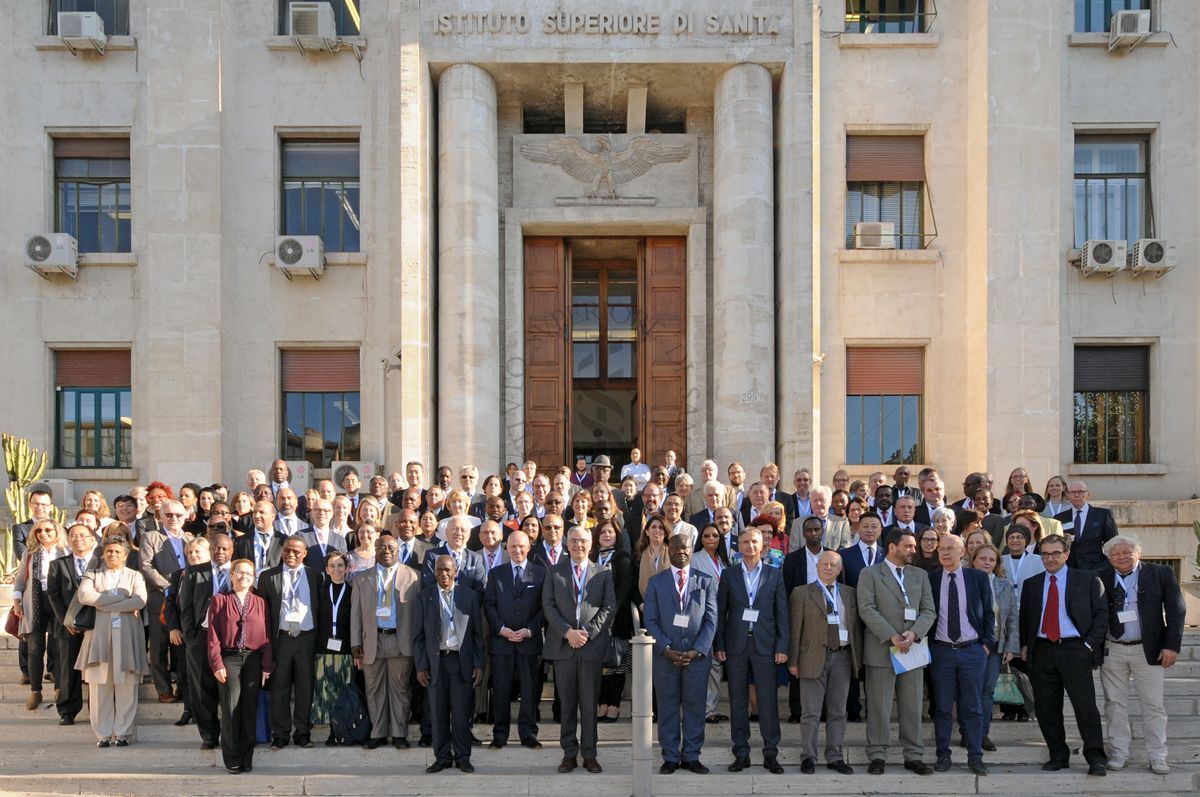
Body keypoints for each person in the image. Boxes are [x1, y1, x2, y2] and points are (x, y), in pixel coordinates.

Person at [1018, 534, 1108, 776]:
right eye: (1045, 554)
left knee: (1085, 706)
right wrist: (1025, 644)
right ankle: (1058, 755)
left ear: (1066, 554)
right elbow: (1025, 617)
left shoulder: (1087, 579)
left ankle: (1095, 757)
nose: (1050, 558)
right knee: (1047, 708)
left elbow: (1101, 615)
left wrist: (1089, 645)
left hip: (1075, 649)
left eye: (1055, 553)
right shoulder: (1032, 583)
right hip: (1043, 650)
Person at [1097, 535, 1185, 774]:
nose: (1121, 557)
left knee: (1153, 705)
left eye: (1127, 552)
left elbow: (1176, 610)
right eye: (1115, 554)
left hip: (1149, 649)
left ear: (1138, 553)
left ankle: (1158, 755)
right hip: (1112, 649)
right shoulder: (1100, 576)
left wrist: (1171, 646)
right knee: (1114, 704)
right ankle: (1119, 753)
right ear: (1109, 557)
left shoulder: (1160, 573)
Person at [857, 528, 936, 775]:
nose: (915, 550)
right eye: (909, 546)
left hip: (912, 648)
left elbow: (929, 610)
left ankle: (913, 755)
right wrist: (892, 636)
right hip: (882, 648)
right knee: (879, 705)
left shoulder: (920, 575)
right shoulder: (869, 574)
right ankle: (878, 754)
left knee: (912, 705)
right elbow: (867, 609)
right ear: (892, 547)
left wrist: (913, 634)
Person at [715, 525, 788, 774]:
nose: (750, 546)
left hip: (765, 646)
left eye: (754, 542)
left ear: (762, 545)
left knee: (767, 701)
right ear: (739, 546)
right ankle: (741, 753)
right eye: (745, 542)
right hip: (736, 645)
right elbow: (721, 612)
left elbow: (782, 613)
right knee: (737, 700)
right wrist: (720, 645)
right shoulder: (729, 574)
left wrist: (782, 645)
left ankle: (771, 753)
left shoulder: (774, 574)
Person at [542, 526, 615, 774]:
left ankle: (590, 754)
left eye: (582, 541)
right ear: (566, 543)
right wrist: (567, 632)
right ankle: (569, 754)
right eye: (573, 541)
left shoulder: (603, 572)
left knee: (589, 703)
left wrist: (586, 633)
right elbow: (548, 606)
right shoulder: (554, 572)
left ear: (590, 544)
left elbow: (608, 608)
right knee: (567, 704)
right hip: (563, 646)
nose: (578, 545)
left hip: (591, 647)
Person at [643, 533, 718, 775]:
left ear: (691, 549)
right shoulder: (656, 582)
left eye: (685, 547)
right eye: (675, 548)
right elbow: (651, 620)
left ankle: (692, 756)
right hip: (666, 657)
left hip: (697, 658)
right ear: (669, 549)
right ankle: (671, 756)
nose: (680, 552)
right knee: (668, 708)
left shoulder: (706, 581)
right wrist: (665, 649)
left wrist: (697, 650)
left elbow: (711, 620)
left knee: (695, 707)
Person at [787, 550, 861, 775]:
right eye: (824, 564)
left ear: (840, 570)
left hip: (842, 656)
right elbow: (795, 628)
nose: (828, 567)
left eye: (833, 565)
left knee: (838, 711)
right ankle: (808, 756)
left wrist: (858, 659)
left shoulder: (849, 593)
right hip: (811, 657)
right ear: (817, 566)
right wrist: (793, 660)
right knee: (810, 712)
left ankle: (835, 756)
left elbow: (855, 627)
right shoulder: (801, 593)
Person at [927, 534, 993, 776]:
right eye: (941, 549)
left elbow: (988, 612)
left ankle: (975, 757)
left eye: (951, 549)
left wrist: (986, 644)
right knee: (943, 707)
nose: (945, 553)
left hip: (972, 651)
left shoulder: (978, 577)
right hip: (942, 651)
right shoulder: (931, 579)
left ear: (963, 552)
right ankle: (943, 754)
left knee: (973, 707)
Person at [75, 537, 148, 747]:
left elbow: (140, 600)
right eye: (108, 551)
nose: (112, 555)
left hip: (127, 634)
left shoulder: (135, 575)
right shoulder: (93, 574)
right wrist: (121, 602)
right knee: (99, 686)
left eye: (117, 551)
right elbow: (85, 596)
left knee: (127, 683)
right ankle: (103, 734)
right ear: (103, 554)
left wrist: (103, 603)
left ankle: (123, 732)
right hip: (99, 634)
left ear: (125, 555)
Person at [415, 555, 485, 774]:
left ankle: (463, 757)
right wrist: (421, 666)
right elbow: (418, 636)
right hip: (436, 663)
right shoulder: (424, 597)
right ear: (434, 572)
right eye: (439, 570)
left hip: (460, 662)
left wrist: (478, 663)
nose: (443, 574)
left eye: (447, 570)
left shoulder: (469, 596)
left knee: (462, 713)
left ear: (455, 572)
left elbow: (477, 634)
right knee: (438, 713)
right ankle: (442, 757)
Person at [351, 536, 420, 749]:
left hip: (401, 641)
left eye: (391, 547)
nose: (386, 550)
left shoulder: (414, 576)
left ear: (398, 550)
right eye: (382, 547)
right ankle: (378, 732)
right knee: (373, 689)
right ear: (375, 550)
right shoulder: (361, 578)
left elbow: (419, 614)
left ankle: (400, 733)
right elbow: (355, 614)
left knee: (400, 689)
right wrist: (355, 643)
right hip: (372, 641)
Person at [206, 558, 273, 774]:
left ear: (254, 578)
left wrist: (266, 665)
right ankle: (232, 759)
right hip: (230, 659)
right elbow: (213, 635)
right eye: (240, 572)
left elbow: (268, 635)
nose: (244, 576)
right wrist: (216, 662)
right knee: (231, 708)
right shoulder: (219, 600)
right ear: (232, 575)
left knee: (249, 708)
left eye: (249, 573)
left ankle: (246, 757)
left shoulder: (261, 602)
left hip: (253, 658)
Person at [483, 530, 546, 749]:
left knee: (529, 690)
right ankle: (500, 734)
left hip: (529, 641)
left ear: (528, 547)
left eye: (521, 546)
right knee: (501, 689)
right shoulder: (496, 574)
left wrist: (530, 630)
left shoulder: (540, 573)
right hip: (502, 642)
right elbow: (489, 604)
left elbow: (544, 608)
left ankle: (528, 733)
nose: (517, 550)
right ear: (506, 548)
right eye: (512, 547)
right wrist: (501, 628)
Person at [258, 536, 322, 750]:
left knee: (305, 687)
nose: (291, 555)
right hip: (281, 639)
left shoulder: (315, 576)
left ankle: (303, 732)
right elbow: (263, 614)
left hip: (306, 638)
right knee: (280, 687)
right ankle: (280, 733)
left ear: (305, 554)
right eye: (287, 550)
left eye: (296, 551)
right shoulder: (268, 577)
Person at [178, 532, 235, 749]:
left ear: (232, 550)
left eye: (225, 548)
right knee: (201, 688)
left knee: (230, 688)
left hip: (230, 639)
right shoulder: (194, 572)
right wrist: (190, 637)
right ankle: (209, 735)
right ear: (209, 550)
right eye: (216, 548)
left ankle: (232, 734)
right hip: (200, 637)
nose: (220, 552)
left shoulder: (239, 572)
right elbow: (186, 607)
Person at [138, 499, 194, 703]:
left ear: (185, 517)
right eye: (168, 515)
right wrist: (169, 588)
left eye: (178, 515)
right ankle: (163, 689)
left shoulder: (190, 539)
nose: (173, 519)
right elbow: (146, 566)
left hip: (184, 600)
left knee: (181, 645)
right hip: (160, 597)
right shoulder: (151, 537)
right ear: (160, 517)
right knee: (159, 647)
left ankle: (182, 687)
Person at [11, 519, 69, 710]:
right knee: (35, 649)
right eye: (39, 531)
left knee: (60, 647)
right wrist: (16, 603)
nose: (43, 533)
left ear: (56, 531)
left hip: (58, 603)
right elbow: (20, 581)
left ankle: (60, 687)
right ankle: (36, 691)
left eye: (48, 530)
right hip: (34, 602)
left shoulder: (66, 552)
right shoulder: (30, 553)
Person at [45, 523, 97, 725]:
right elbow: (53, 595)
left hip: (95, 624)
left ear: (93, 539)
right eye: (73, 536)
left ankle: (97, 708)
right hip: (68, 624)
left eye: (83, 535)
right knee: (67, 669)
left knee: (96, 668)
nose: (78, 539)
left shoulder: (100, 563)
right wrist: (65, 620)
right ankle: (67, 710)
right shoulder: (58, 565)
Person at [970, 542, 1019, 748]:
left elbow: (1012, 618)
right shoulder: (964, 582)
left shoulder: (1004, 584)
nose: (987, 563)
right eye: (983, 558)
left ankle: (982, 734)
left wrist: (1011, 646)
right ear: (973, 561)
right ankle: (968, 732)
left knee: (988, 690)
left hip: (996, 645)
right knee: (970, 690)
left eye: (992, 559)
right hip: (970, 645)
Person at [308, 550, 355, 744]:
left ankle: (342, 730)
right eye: (332, 566)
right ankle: (331, 731)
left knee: (343, 691)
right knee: (326, 692)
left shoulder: (353, 591)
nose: (337, 570)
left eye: (340, 566)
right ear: (326, 570)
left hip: (345, 650)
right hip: (323, 649)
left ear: (347, 569)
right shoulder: (319, 590)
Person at [594, 520, 633, 724]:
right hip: (594, 619)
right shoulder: (592, 556)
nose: (607, 535)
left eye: (611, 532)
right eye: (603, 532)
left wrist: (611, 613)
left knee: (616, 663)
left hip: (618, 618)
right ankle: (601, 702)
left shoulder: (622, 557)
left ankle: (614, 705)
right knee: (600, 663)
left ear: (617, 536)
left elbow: (625, 587)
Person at [1055, 481, 1117, 572]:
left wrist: (1106, 564)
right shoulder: (1060, 517)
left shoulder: (1102, 514)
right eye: (1072, 492)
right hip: (1068, 568)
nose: (1076, 495)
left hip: (1096, 568)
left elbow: (1113, 542)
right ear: (1068, 495)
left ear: (1088, 494)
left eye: (1080, 492)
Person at [1002, 521, 1045, 600]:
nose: (1015, 540)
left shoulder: (1038, 560)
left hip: (1030, 603)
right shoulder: (1000, 561)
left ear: (1026, 541)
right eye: (1011, 537)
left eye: (1019, 537)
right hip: (1006, 606)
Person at [635, 514, 671, 601]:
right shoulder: (638, 555)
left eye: (661, 528)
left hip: (670, 603)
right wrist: (640, 603)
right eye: (653, 527)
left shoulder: (673, 554)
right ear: (647, 532)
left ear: (665, 533)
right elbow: (633, 584)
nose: (657, 530)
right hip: (646, 604)